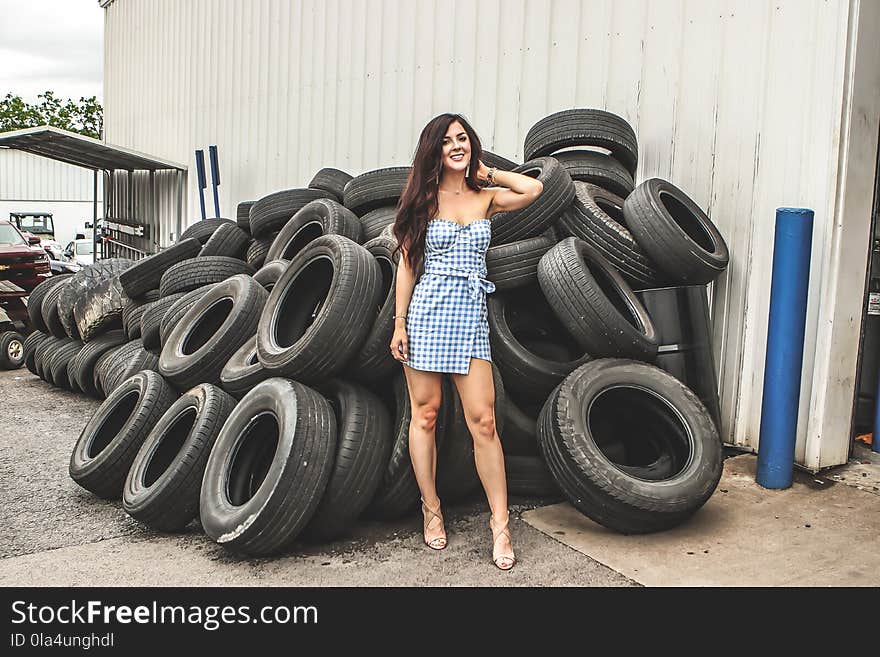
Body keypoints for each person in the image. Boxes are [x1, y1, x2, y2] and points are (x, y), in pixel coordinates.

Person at [389, 113, 543, 570]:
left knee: (485, 422)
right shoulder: (421, 202)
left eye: (463, 139)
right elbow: (407, 266)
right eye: (447, 141)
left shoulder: (487, 197)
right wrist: (399, 324)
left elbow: (533, 190)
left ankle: (500, 526)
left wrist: (488, 171)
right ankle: (431, 510)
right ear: (433, 149)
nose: (455, 145)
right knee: (426, 415)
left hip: (469, 318)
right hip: (426, 315)